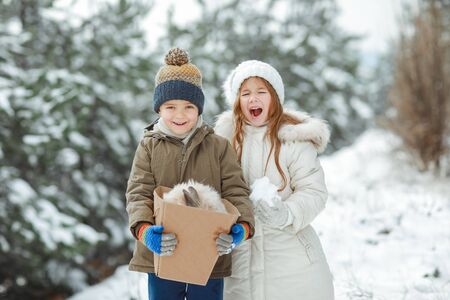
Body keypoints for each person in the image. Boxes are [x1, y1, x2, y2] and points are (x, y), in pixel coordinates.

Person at [126, 48, 255, 300]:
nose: (180, 114)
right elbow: (138, 193)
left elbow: (235, 190)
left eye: (188, 106)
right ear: (159, 109)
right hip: (163, 250)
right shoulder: (148, 146)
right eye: (170, 106)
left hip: (208, 252)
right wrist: (144, 231)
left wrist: (240, 228)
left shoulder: (218, 146)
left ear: (199, 109)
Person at [214, 60, 334, 300]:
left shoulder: (293, 140)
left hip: (291, 260)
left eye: (261, 91)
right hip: (239, 259)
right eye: (246, 93)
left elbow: (313, 191)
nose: (253, 98)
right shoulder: (224, 141)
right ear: (238, 101)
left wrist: (287, 213)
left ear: (275, 98)